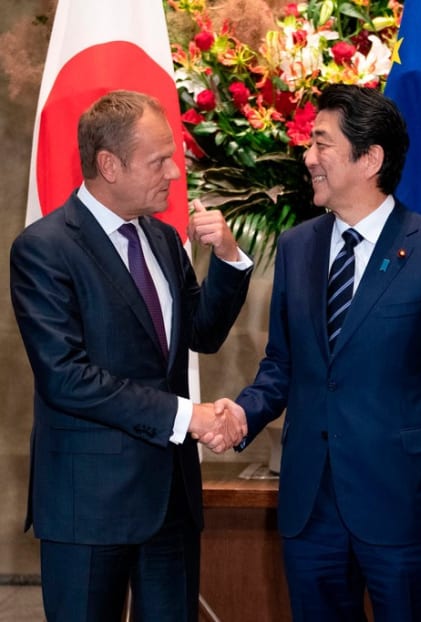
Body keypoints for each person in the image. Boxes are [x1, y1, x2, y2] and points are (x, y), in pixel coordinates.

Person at [213, 84, 421, 621]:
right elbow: (283, 365)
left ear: (370, 158)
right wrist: (242, 412)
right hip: (311, 506)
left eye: (321, 143)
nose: (307, 157)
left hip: (403, 505)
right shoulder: (297, 247)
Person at [10, 89, 253, 621]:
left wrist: (230, 261)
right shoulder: (44, 249)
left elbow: (202, 333)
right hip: (88, 507)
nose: (173, 172)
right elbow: (66, 377)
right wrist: (188, 417)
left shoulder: (164, 240)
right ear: (108, 165)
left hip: (170, 503)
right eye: (159, 159)